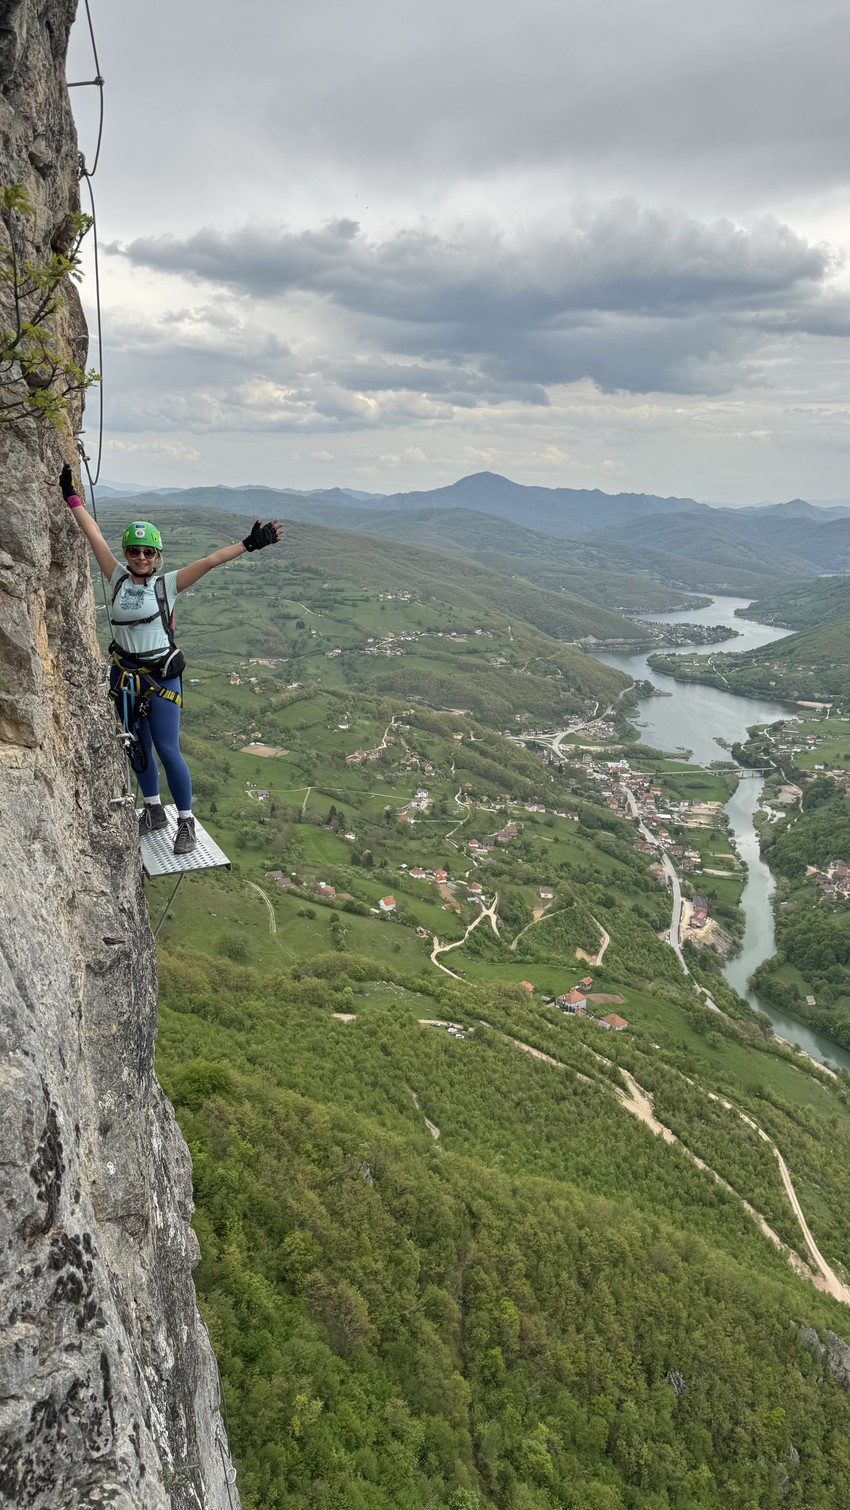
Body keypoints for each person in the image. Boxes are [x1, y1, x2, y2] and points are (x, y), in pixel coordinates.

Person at [60, 464, 282, 854]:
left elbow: (211, 560)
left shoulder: (168, 585)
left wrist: (250, 545)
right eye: (134, 550)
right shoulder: (114, 577)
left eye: (148, 551)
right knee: (136, 745)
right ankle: (153, 809)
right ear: (127, 553)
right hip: (124, 674)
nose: (141, 556)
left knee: (167, 749)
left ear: (157, 556)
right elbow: (92, 533)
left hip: (161, 677)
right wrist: (71, 497)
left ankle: (186, 822)